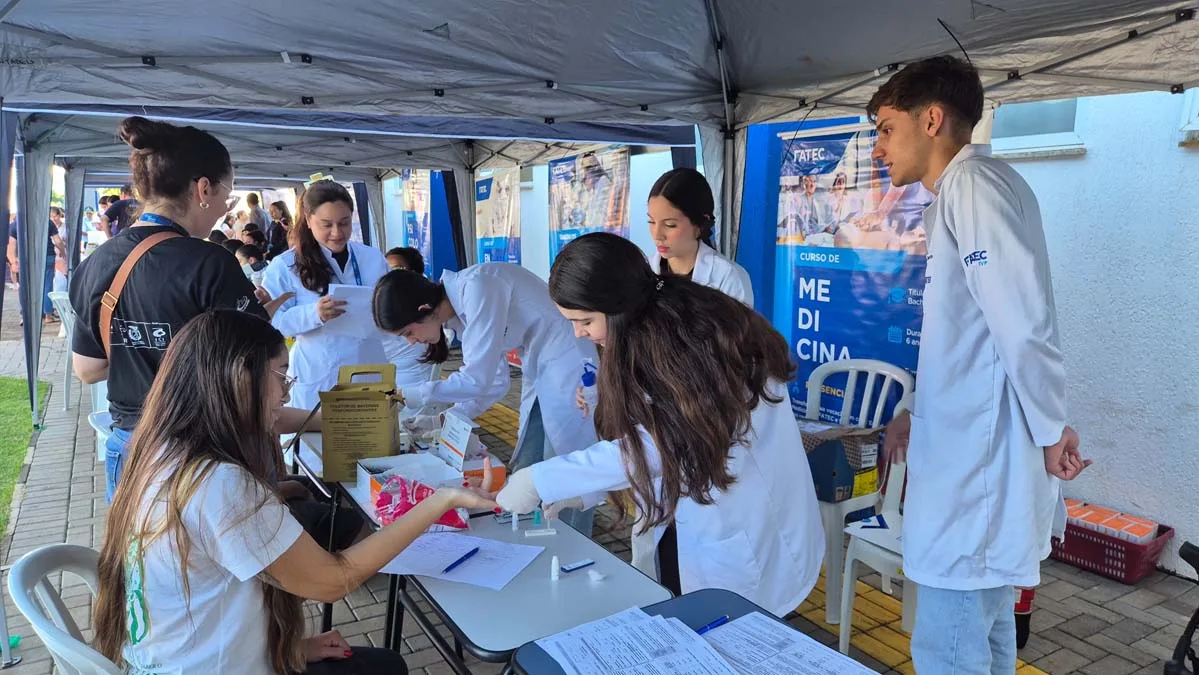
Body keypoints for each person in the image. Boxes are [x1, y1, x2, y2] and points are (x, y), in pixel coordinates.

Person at [93, 309, 497, 674]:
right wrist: (442, 500)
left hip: (168, 663)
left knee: (379, 663)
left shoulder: (161, 452)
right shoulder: (219, 483)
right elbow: (335, 580)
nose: (286, 393)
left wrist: (289, 649)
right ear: (240, 377)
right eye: (281, 376)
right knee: (386, 667)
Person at [869, 56, 1091, 674]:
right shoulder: (968, 191)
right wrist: (913, 408)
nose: (878, 148)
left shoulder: (974, 188)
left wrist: (1051, 431)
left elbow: (1022, 327)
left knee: (947, 649)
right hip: (967, 465)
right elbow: (970, 335)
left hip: (978, 478)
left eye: (887, 128)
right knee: (986, 641)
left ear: (932, 119)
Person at [495, 232, 824, 615]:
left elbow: (660, 445)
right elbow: (652, 442)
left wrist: (540, 479)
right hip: (696, 516)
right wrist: (584, 493)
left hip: (743, 528)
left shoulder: (687, 344)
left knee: (734, 635)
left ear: (615, 305)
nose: (578, 333)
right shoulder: (661, 318)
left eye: (584, 320)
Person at [69, 116, 291, 503]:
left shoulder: (95, 263)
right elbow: (253, 369)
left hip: (130, 450)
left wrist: (142, 347)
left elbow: (87, 370)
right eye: (227, 195)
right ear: (204, 188)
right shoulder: (210, 263)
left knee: (139, 562)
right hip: (203, 456)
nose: (224, 207)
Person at [372, 262, 600, 537]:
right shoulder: (461, 310)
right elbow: (496, 382)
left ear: (424, 310)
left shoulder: (478, 287)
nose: (411, 341)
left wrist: (414, 394)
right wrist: (448, 417)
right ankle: (539, 541)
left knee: (565, 468)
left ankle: (576, 549)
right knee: (528, 465)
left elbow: (477, 379)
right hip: (541, 367)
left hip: (569, 365)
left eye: (408, 332)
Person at [262, 181, 389, 412]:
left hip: (368, 368)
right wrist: (314, 313)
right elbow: (274, 324)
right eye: (326, 224)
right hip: (320, 373)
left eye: (344, 223)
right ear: (309, 220)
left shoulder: (372, 258)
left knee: (371, 442)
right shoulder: (285, 265)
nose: (337, 233)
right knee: (320, 443)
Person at [646, 168, 752, 303]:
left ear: (699, 224)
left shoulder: (728, 277)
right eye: (651, 221)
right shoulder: (643, 272)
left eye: (670, 225)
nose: (657, 235)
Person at [376, 247, 434, 390]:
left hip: (407, 397)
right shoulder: (393, 314)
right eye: (385, 271)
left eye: (396, 270)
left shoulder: (410, 318)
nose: (389, 277)